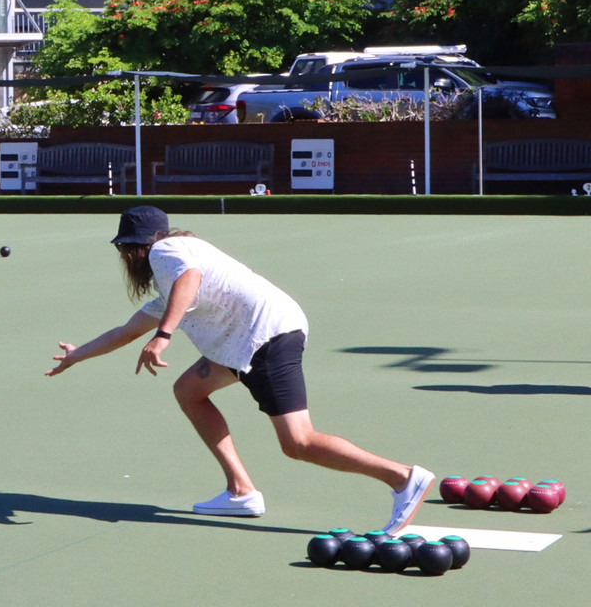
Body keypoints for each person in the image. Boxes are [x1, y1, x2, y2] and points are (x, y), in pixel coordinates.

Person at [45, 205, 433, 534]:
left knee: (298, 442)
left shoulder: (165, 253)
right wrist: (78, 355)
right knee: (188, 391)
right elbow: (126, 331)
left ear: (132, 249)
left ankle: (402, 478)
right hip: (246, 343)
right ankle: (240, 491)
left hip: (264, 336)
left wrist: (164, 335)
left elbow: (190, 280)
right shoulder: (174, 269)